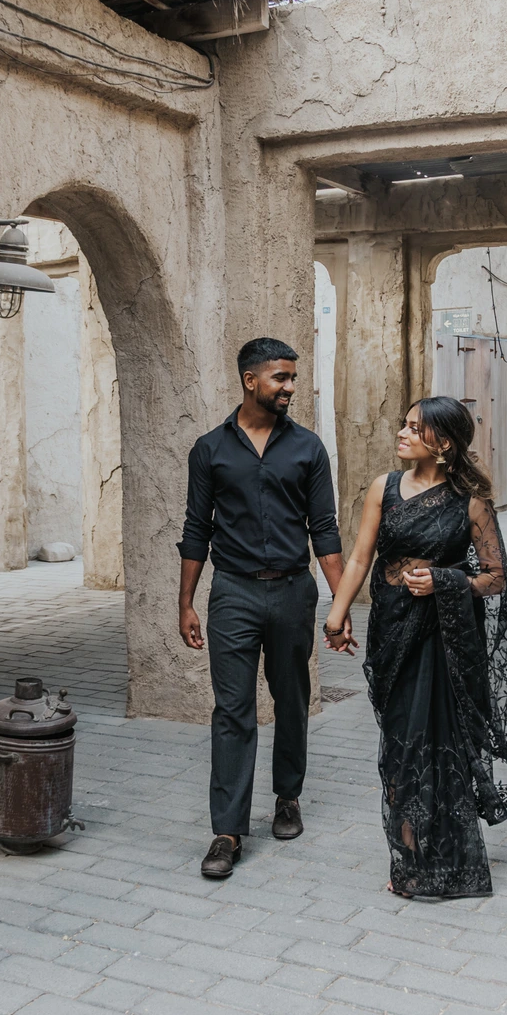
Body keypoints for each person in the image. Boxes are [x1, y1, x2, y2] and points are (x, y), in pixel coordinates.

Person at [321, 396, 507, 898]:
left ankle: (421, 859)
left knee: (436, 742)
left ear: (443, 443)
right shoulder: (384, 488)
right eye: (405, 424)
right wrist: (336, 613)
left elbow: (497, 577)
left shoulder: (470, 503)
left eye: (415, 428)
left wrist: (444, 581)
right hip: (393, 632)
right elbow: (359, 559)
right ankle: (409, 846)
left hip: (444, 641)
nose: (402, 432)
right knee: (399, 744)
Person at [178, 338, 345, 879]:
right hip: (233, 594)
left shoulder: (308, 449)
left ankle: (288, 796)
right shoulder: (209, 449)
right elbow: (195, 530)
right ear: (251, 380)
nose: (290, 388)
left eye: (292, 378)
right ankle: (226, 831)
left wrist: (340, 606)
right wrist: (187, 603)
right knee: (232, 710)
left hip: (294, 590)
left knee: (292, 698)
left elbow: (324, 529)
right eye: (281, 378)